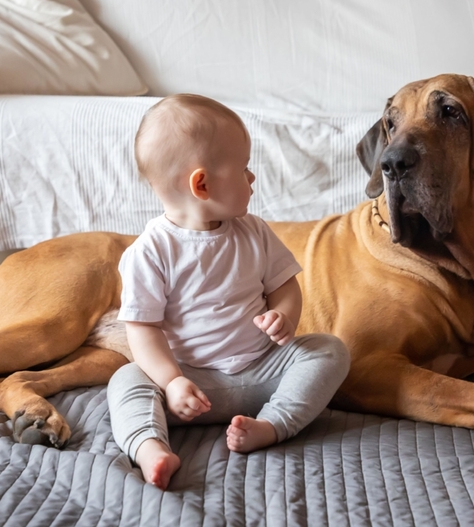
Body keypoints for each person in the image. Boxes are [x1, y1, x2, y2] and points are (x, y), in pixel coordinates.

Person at [106, 94, 350, 490]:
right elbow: (143, 330)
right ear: (201, 184)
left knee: (329, 350)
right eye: (243, 169)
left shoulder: (254, 231)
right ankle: (150, 448)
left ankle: (272, 424)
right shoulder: (151, 251)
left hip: (264, 370)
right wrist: (170, 382)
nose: (252, 179)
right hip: (189, 385)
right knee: (126, 381)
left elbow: (285, 285)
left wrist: (285, 315)